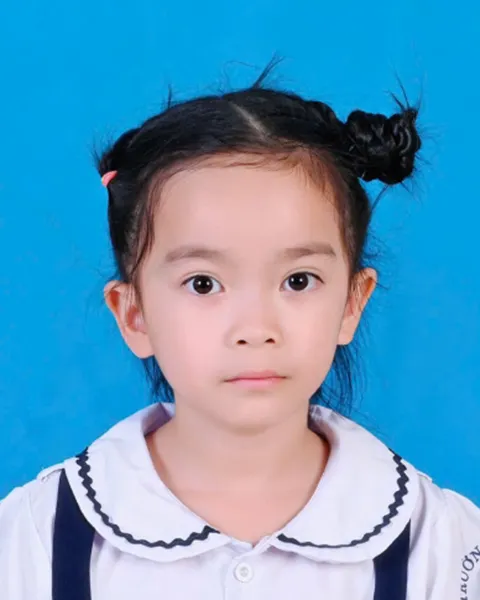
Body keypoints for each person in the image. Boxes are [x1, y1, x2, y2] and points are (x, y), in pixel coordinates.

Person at [1, 65, 479, 600]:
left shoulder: (445, 545)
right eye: (203, 283)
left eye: (299, 280)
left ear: (352, 303)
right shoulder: (28, 541)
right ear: (133, 315)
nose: (255, 329)